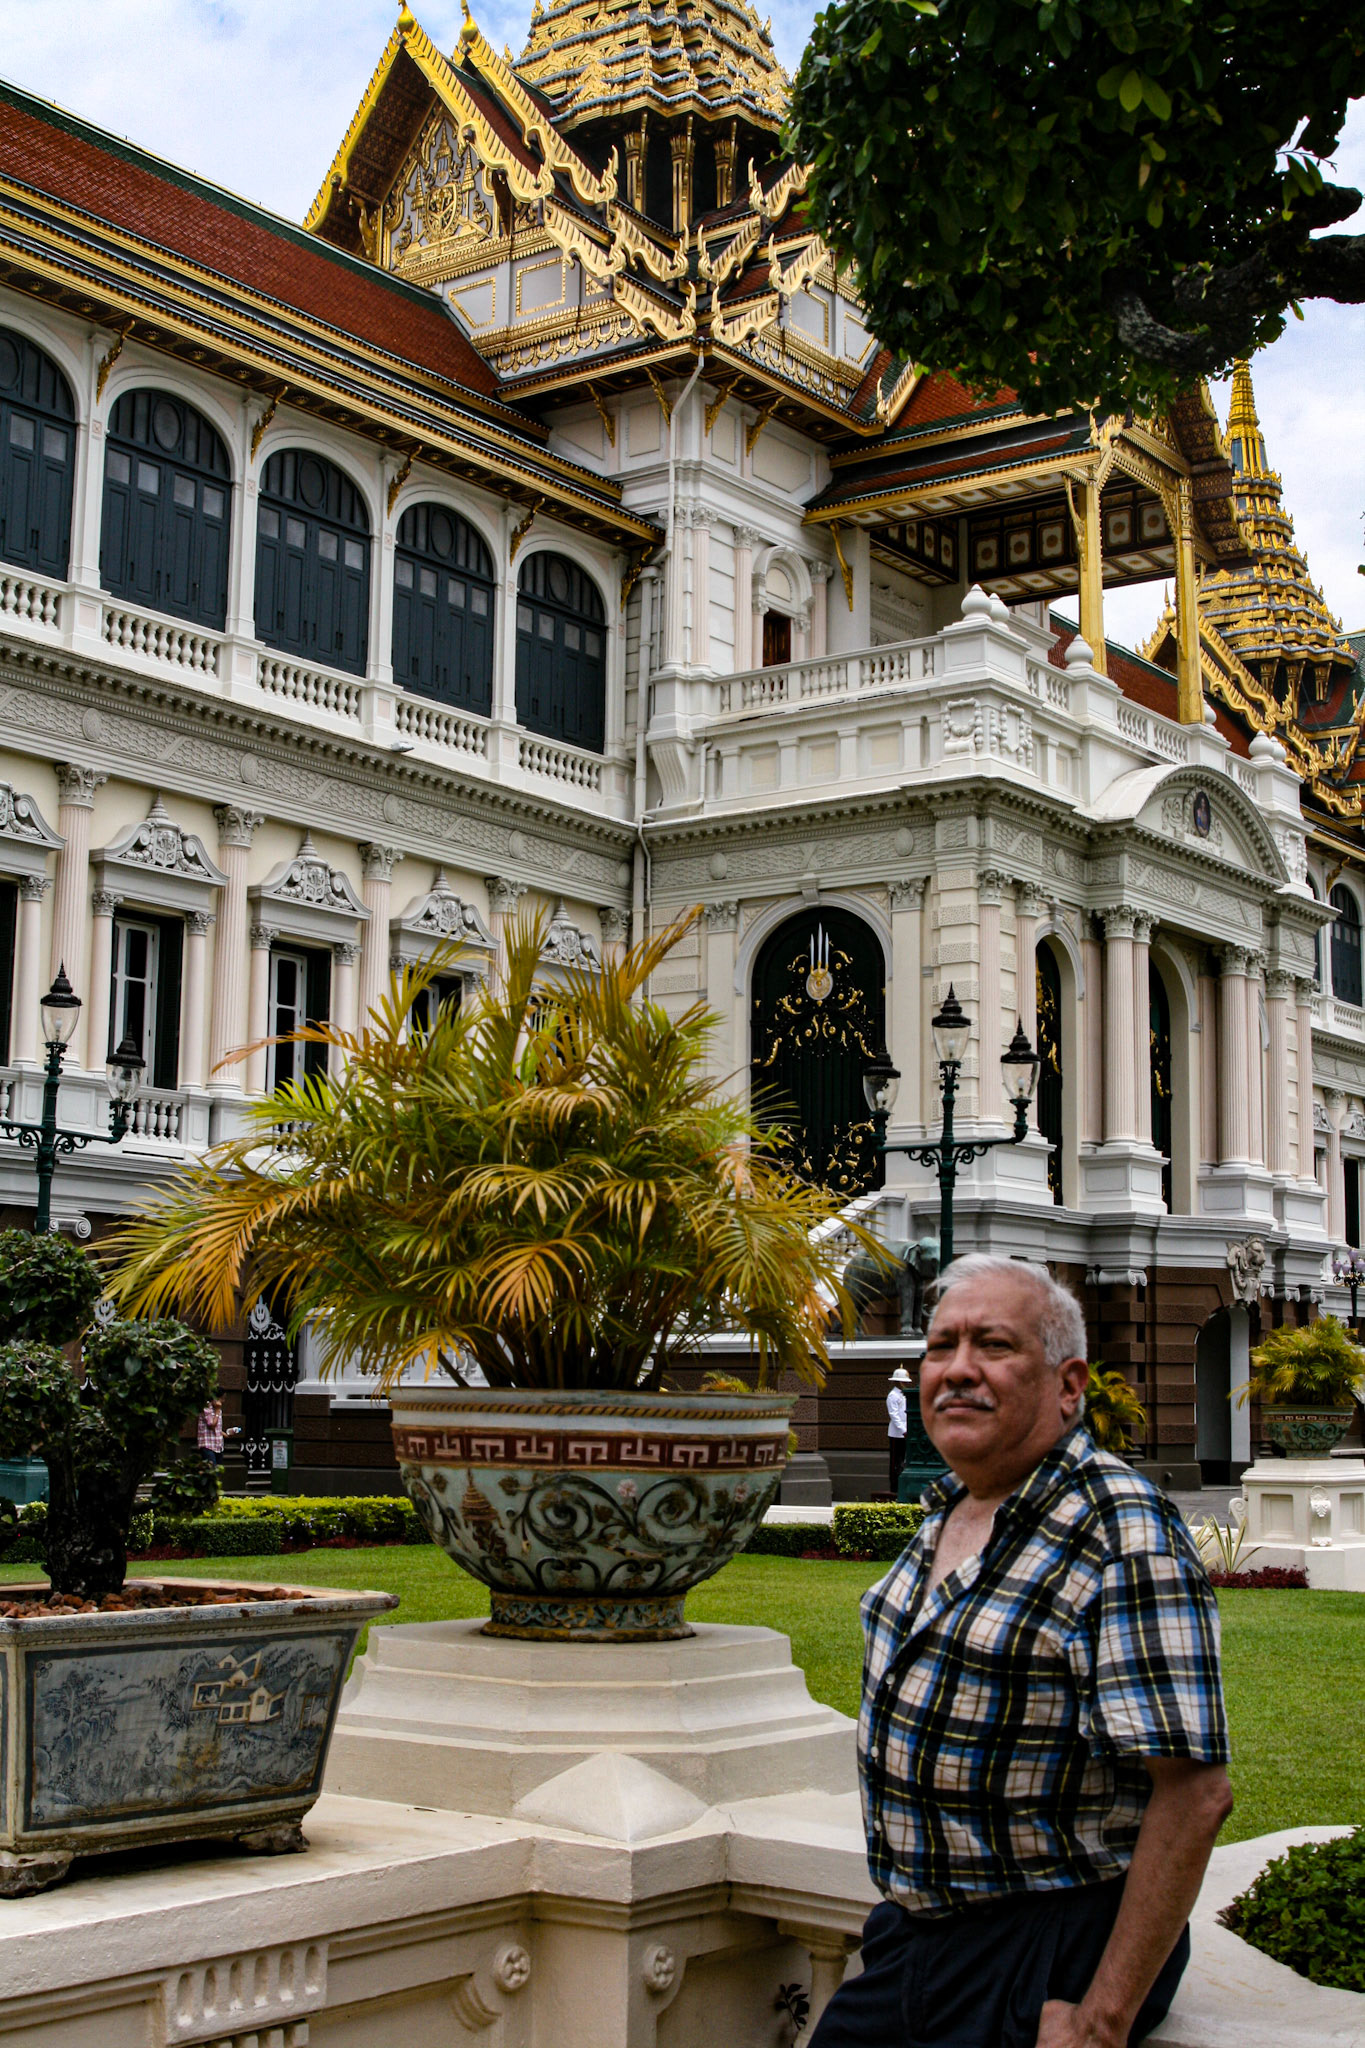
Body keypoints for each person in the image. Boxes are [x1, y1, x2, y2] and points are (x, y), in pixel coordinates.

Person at [812, 1254, 1231, 2048]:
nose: (957, 1370)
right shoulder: (950, 1509)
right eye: (941, 1347)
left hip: (1045, 1948)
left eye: (993, 1346)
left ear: (1067, 1385)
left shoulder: (1118, 1531)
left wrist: (1101, 2020)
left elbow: (1194, 1794)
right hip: (913, 1940)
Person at [886, 1365, 910, 1492]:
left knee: (903, 1461)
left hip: (905, 1432)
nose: (905, 1384)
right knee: (896, 1461)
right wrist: (903, 1430)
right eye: (903, 1382)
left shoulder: (904, 1394)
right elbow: (894, 1415)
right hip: (897, 1433)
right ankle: (894, 1488)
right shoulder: (893, 1396)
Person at [196, 1397, 225, 1468]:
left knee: (217, 1471)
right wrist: (217, 1411)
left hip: (218, 1444)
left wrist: (224, 1433)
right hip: (208, 1445)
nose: (223, 1401)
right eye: (221, 1399)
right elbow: (211, 1425)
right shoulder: (207, 1409)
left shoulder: (218, 1409)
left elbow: (217, 1427)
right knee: (212, 1470)